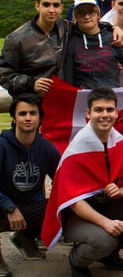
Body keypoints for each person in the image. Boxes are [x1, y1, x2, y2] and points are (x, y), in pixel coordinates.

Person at [42, 87, 123, 277]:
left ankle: (108, 255)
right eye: (99, 110)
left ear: (116, 112)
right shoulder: (76, 152)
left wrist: (122, 190)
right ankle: (78, 259)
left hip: (108, 206)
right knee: (104, 240)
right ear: (88, 113)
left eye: (110, 110)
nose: (105, 115)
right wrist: (106, 223)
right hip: (77, 217)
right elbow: (74, 202)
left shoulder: (120, 142)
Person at [0, 94, 60, 274]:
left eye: (33, 113)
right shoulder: (2, 145)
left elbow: (63, 177)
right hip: (2, 206)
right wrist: (9, 207)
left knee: (64, 207)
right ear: (13, 118)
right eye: (22, 113)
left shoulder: (47, 148)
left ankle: (24, 238)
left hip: (29, 206)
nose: (28, 118)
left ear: (40, 118)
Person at [0, 0, 70, 97]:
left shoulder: (67, 28)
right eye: (46, 4)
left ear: (61, 8)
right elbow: (4, 74)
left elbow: (93, 28)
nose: (51, 10)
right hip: (31, 101)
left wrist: (109, 32)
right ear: (37, 6)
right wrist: (30, 83)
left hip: (61, 99)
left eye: (56, 5)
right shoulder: (17, 38)